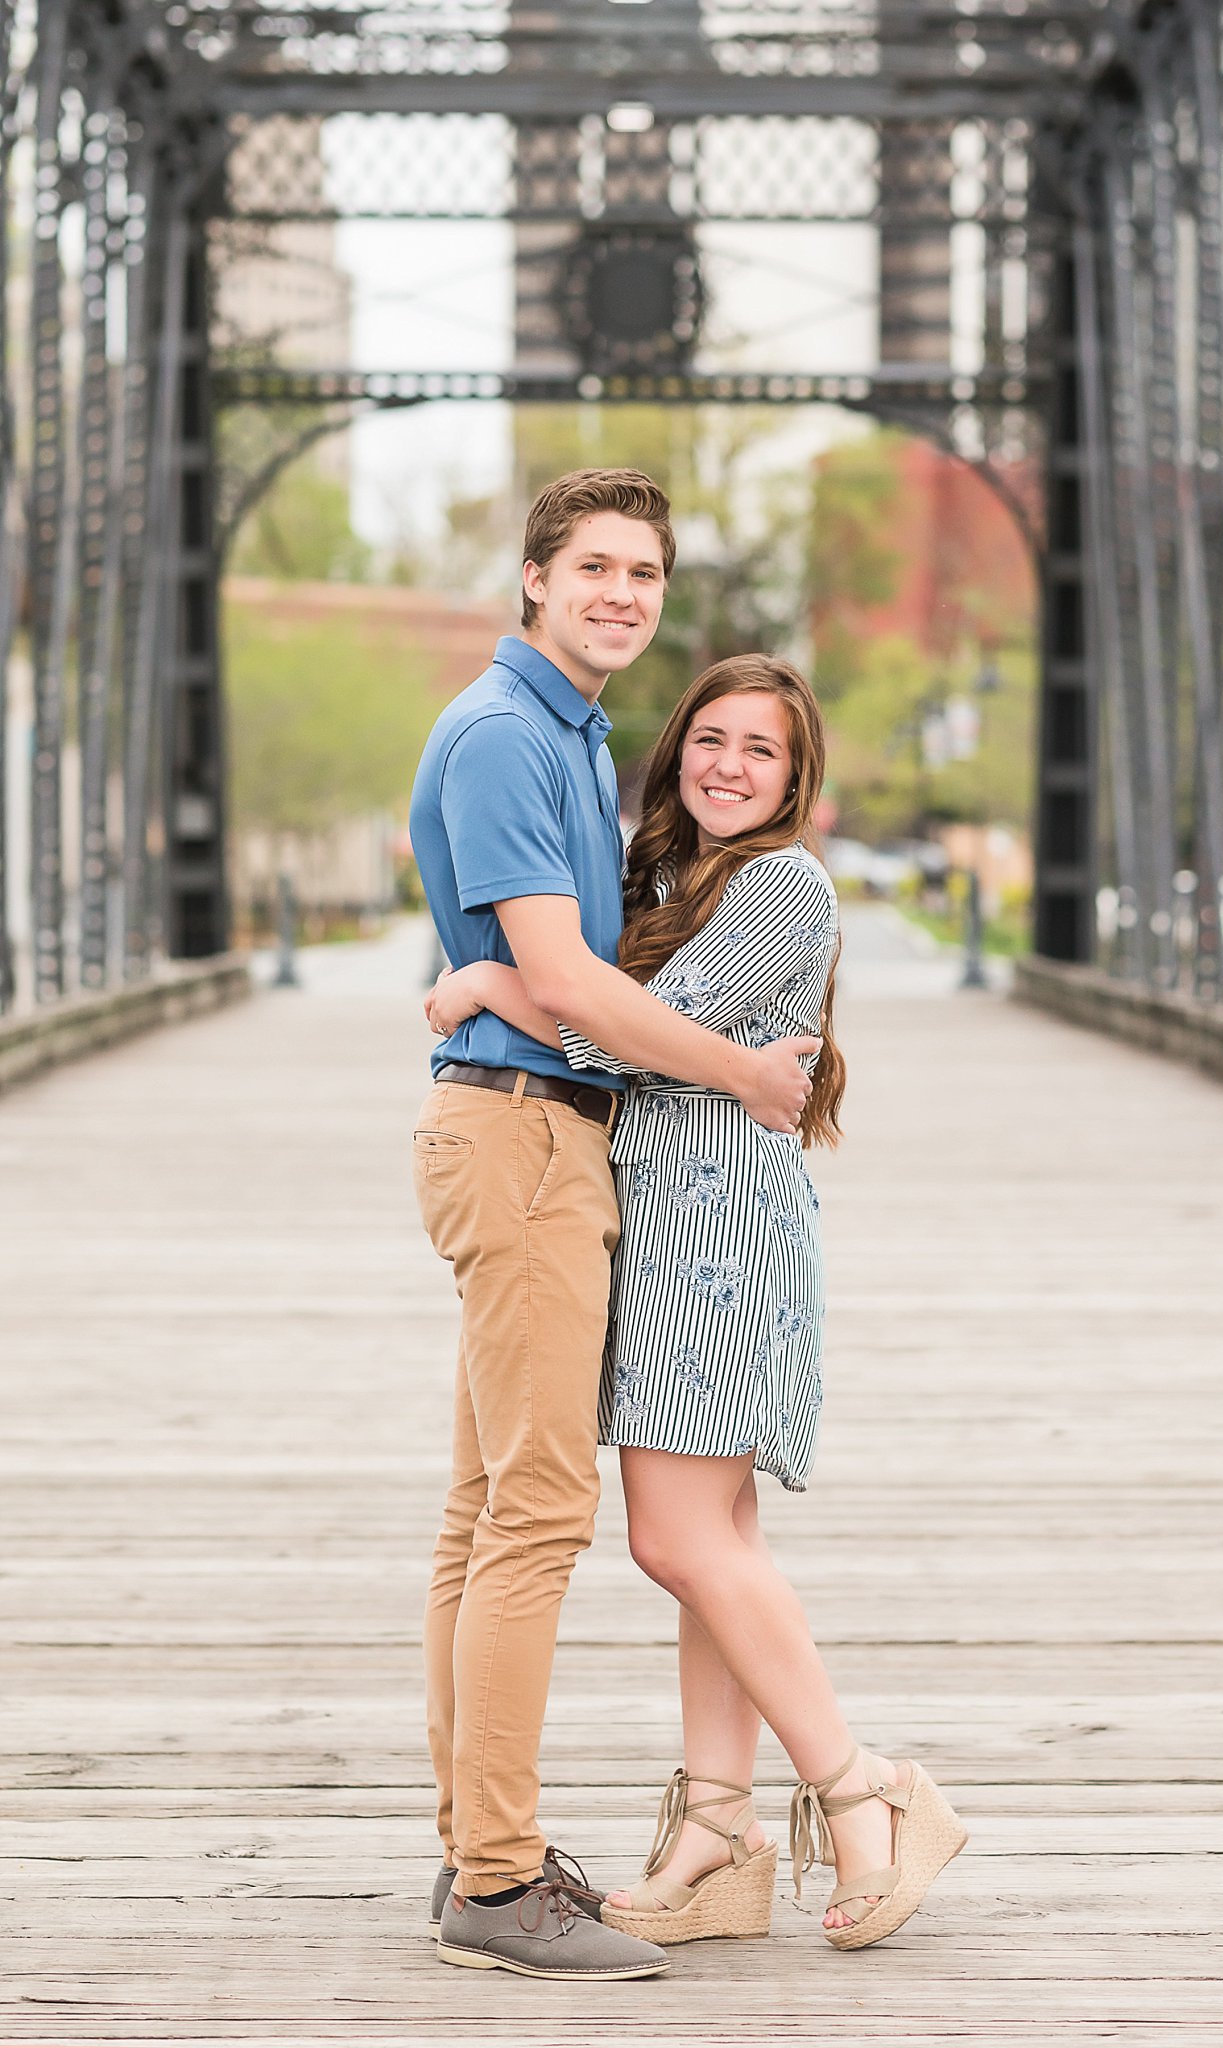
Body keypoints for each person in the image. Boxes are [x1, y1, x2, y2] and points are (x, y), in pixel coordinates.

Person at [426, 653, 968, 1954]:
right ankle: (717, 1832)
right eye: (709, 739)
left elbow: (623, 1031)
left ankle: (866, 1788)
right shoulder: (671, 876)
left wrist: (489, 984)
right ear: (674, 753)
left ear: (797, 781)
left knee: (677, 1541)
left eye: (760, 750)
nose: (728, 765)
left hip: (713, 1242)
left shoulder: (784, 885)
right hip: (672, 1228)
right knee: (716, 1549)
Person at [408, 470, 816, 1983]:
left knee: (485, 1510)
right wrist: (748, 1076)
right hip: (523, 1139)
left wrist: (488, 983)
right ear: (533, 577)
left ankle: (478, 1845)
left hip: (540, 1132)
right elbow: (572, 982)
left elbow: (563, 972)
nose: (620, 595)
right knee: (531, 1517)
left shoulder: (571, 735)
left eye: (643, 574)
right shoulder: (510, 736)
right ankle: (498, 1882)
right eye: (593, 568)